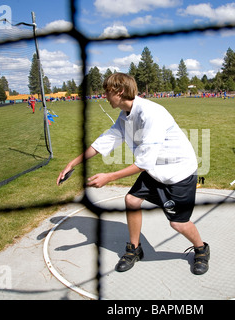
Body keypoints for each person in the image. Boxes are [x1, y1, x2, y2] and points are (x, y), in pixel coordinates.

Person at [57, 73, 210, 275]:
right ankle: (134, 250)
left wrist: (109, 177)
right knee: (131, 200)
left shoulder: (151, 113)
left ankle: (201, 249)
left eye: (107, 92)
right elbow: (104, 141)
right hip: (155, 170)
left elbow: (144, 162)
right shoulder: (125, 116)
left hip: (178, 172)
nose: (104, 96)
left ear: (119, 91)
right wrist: (72, 163)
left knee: (178, 223)